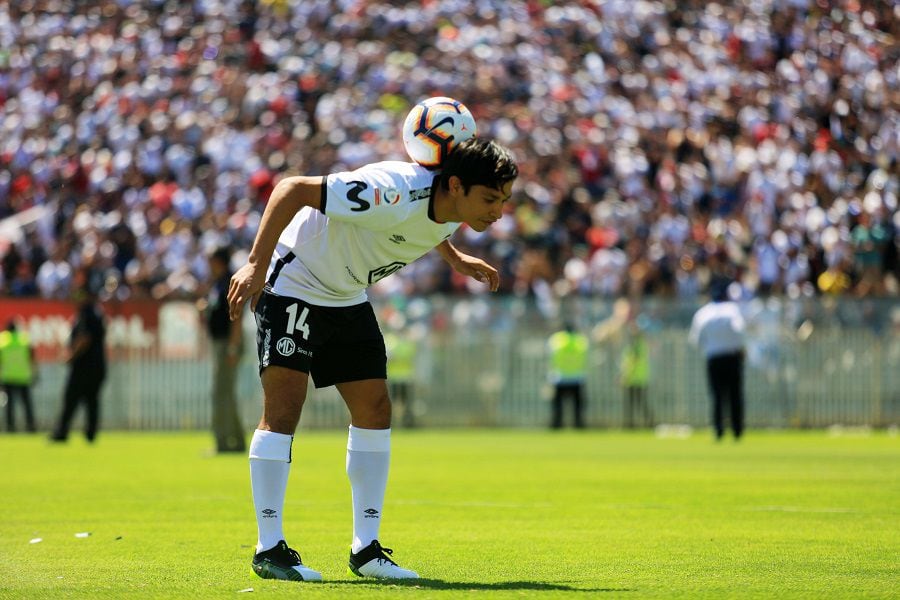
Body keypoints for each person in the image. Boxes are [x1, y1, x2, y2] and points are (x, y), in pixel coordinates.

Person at [226, 137, 518, 582]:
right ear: (455, 184)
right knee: (283, 410)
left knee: (375, 409)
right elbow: (292, 188)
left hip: (345, 296)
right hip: (295, 283)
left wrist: (455, 257)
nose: (498, 210)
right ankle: (269, 549)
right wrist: (255, 264)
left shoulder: (450, 208)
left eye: (505, 199)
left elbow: (427, 223)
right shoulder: (392, 189)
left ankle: (366, 550)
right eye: (491, 198)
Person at [689, 282, 746, 441]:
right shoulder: (732, 310)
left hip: (713, 357)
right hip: (732, 356)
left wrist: (711, 346)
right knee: (735, 394)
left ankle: (718, 430)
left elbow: (696, 340)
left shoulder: (703, 313)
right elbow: (740, 331)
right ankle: (737, 430)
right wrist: (740, 348)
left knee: (717, 395)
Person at [50, 287, 107, 443]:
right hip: (97, 367)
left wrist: (71, 355)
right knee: (92, 401)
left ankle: (62, 431)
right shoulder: (96, 312)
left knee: (71, 399)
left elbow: (84, 338)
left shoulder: (86, 314)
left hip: (84, 366)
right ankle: (90, 433)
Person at [205, 247, 246, 453]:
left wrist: (232, 347)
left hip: (227, 345)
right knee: (225, 394)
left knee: (222, 395)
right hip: (222, 344)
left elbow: (237, 316)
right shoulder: (218, 283)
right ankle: (236, 441)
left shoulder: (229, 282)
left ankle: (224, 443)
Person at [547, 322, 589, 429]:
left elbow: (550, 356)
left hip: (560, 377)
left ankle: (557, 424)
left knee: (558, 405)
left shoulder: (557, 339)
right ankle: (578, 425)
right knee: (577, 406)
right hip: (577, 377)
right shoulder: (580, 340)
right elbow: (586, 356)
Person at [0, 318, 37, 433]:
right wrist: (35, 373)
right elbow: (32, 357)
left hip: (8, 376)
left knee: (10, 405)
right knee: (26, 404)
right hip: (23, 376)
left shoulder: (2, 340)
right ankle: (31, 426)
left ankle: (10, 427)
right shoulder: (24, 339)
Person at [619, 320, 652, 429]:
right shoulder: (639, 344)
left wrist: (625, 376)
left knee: (633, 405)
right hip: (639, 378)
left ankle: (630, 425)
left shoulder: (635, 345)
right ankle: (646, 424)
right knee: (640, 404)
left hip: (634, 378)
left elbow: (633, 361)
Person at [383, 325, 418, 428]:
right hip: (399, 378)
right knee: (400, 403)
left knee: (401, 403)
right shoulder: (403, 342)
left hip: (401, 378)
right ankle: (399, 423)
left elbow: (390, 357)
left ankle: (401, 423)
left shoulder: (393, 342)